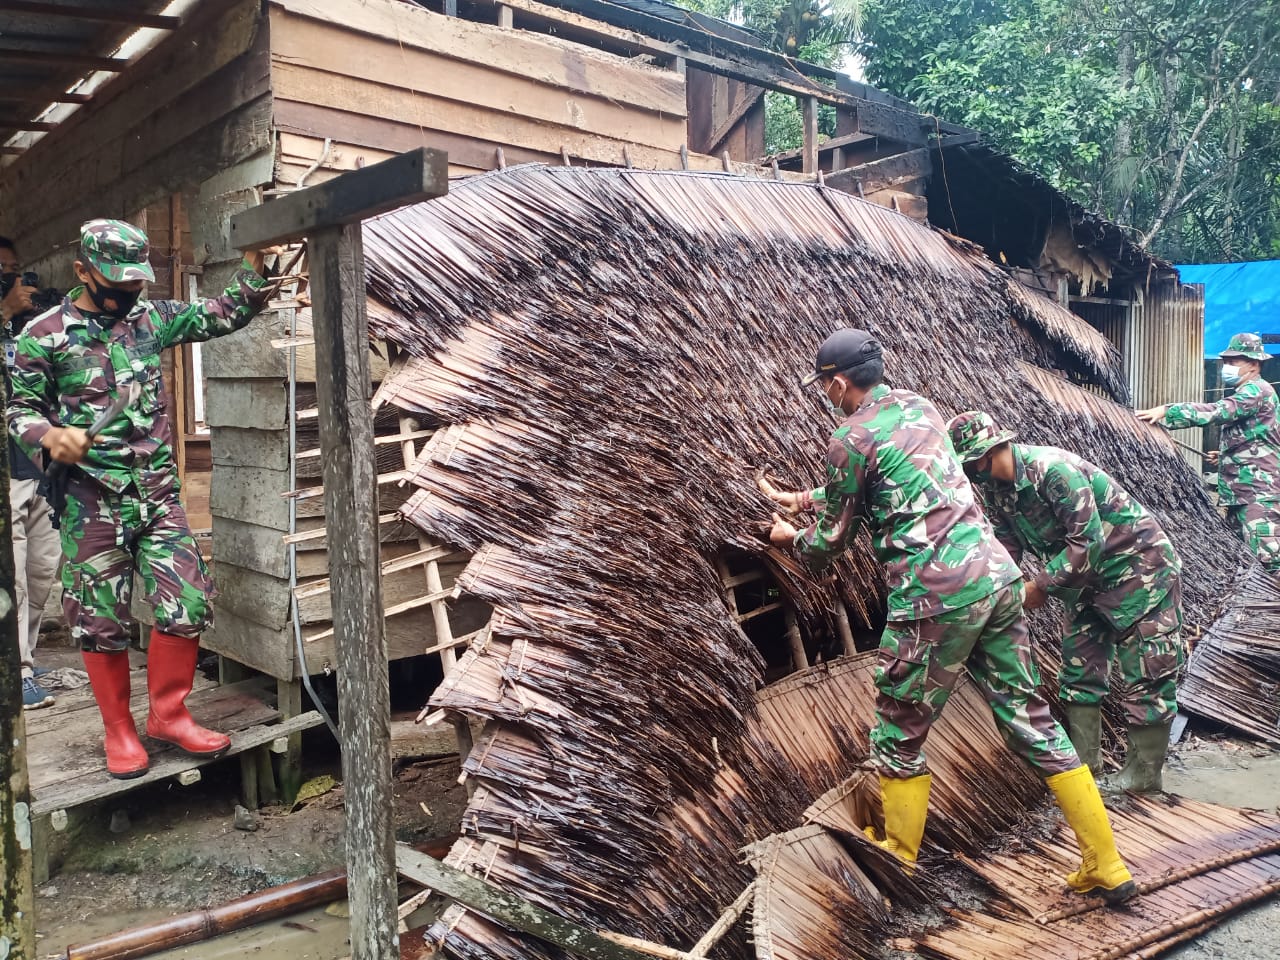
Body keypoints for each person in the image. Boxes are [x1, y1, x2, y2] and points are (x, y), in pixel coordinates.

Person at [759, 328, 1135, 903]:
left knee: (898, 729)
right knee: (1030, 718)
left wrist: (790, 536)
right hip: (998, 579)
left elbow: (830, 542)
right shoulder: (922, 407)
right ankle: (1107, 863)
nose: (827, 397)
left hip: (935, 598)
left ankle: (897, 861)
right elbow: (896, 477)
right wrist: (807, 497)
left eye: (826, 388)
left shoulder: (848, 438)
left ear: (837, 383)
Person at [8, 219, 273, 779]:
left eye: (137, 283)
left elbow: (220, 314)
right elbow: (19, 411)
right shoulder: (43, 334)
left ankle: (168, 715)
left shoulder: (150, 319)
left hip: (157, 496)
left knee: (188, 601)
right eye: (118, 283)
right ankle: (119, 730)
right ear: (83, 272)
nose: (131, 294)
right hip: (90, 500)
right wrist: (51, 436)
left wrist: (253, 267)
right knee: (99, 619)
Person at [947, 410, 1185, 794]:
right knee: (1079, 669)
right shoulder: (994, 489)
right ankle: (1083, 766)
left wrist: (1039, 586)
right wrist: (994, 585)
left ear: (993, 449)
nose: (973, 473)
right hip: (1083, 582)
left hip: (1140, 572)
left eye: (973, 464)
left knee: (1147, 671)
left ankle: (1143, 777)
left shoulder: (1054, 471)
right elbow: (1006, 547)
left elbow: (1088, 543)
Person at [1137, 333, 1280, 573]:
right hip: (1241, 495)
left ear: (1254, 364)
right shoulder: (1251, 391)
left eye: (1234, 362)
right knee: (1244, 564)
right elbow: (1257, 439)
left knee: (1270, 563)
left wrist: (1168, 411)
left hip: (1258, 495)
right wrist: (1224, 457)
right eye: (1226, 361)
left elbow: (1219, 411)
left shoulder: (1256, 391)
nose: (1227, 367)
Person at [1, 235, 61, 709]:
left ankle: (26, 654)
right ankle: (15, 669)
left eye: (16, 269)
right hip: (6, 471)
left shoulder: (28, 330)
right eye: (3, 270)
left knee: (42, 570)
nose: (14, 278)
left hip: (39, 466)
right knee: (14, 574)